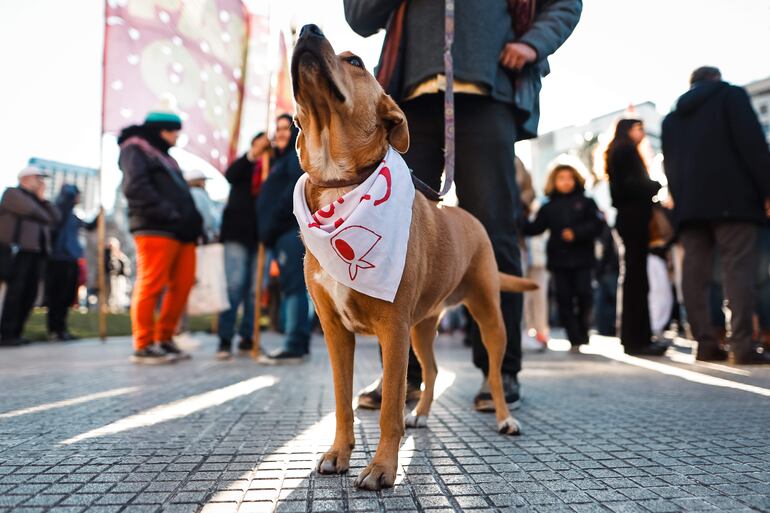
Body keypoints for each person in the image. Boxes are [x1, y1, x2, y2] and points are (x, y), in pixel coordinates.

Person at [345, 0, 583, 412]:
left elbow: (565, 3)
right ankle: (402, 375)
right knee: (395, 233)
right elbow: (360, 16)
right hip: (408, 97)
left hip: (488, 89)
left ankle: (501, 370)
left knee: (493, 229)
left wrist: (533, 43)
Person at [661, 66, 770, 364]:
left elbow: (669, 167)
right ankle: (741, 346)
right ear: (716, 79)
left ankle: (705, 344)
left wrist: (681, 205)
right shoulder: (730, 96)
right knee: (738, 270)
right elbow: (753, 145)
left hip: (690, 207)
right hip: (734, 200)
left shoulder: (671, 118)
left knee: (695, 275)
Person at [118, 110, 203, 364]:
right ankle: (143, 344)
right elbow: (135, 187)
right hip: (155, 227)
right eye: (174, 130)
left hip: (181, 232)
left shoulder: (166, 157)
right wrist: (169, 213)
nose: (177, 136)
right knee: (152, 284)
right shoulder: (135, 148)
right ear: (161, 130)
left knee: (182, 285)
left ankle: (164, 339)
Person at [521, 163, 602, 349]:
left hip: (582, 258)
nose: (566, 182)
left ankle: (583, 330)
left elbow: (597, 226)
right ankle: (573, 336)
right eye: (561, 178)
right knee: (563, 298)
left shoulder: (587, 202)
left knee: (584, 295)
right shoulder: (548, 206)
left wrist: (576, 233)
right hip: (559, 260)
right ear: (554, 181)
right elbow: (535, 228)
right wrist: (519, 218)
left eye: (569, 178)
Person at [605, 119, 667, 356]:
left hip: (628, 218)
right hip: (634, 217)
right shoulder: (625, 150)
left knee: (634, 277)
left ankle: (637, 337)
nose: (642, 132)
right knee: (636, 279)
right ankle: (637, 339)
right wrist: (655, 185)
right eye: (638, 128)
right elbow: (633, 185)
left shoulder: (616, 150)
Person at [257, 114, 311, 364]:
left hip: (288, 229)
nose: (279, 133)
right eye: (276, 129)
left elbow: (293, 191)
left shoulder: (293, 158)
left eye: (284, 129)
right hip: (279, 232)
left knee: (293, 287)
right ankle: (297, 341)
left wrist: (273, 220)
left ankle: (294, 343)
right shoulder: (276, 161)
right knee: (292, 287)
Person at [216, 133, 270, 359]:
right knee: (234, 285)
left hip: (261, 235)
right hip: (237, 234)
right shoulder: (244, 165)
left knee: (254, 290)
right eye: (259, 141)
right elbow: (230, 175)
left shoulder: (272, 165)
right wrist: (252, 156)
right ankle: (225, 338)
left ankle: (248, 336)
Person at [0, 166, 61, 347]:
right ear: (25, 179)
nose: (41, 183)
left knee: (29, 294)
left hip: (36, 253)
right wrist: (41, 205)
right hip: (17, 252)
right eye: (38, 178)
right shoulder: (12, 194)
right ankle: (6, 333)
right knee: (14, 292)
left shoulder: (39, 201)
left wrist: (43, 200)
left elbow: (55, 217)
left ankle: (16, 332)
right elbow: (36, 213)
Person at [46, 184, 97, 341]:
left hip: (71, 258)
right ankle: (54, 329)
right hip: (57, 258)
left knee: (68, 296)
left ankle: (62, 328)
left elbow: (88, 226)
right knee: (56, 295)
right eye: (76, 195)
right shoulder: (57, 210)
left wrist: (98, 216)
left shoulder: (74, 216)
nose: (78, 198)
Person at [184, 169, 221, 243]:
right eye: (202, 180)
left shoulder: (191, 193)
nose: (204, 183)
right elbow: (205, 217)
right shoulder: (197, 193)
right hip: (204, 235)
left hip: (201, 235)